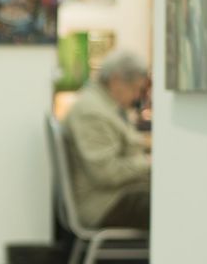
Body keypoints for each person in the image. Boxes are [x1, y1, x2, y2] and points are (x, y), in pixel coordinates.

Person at [63, 48, 151, 230]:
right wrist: (149, 162)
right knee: (169, 201)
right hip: (104, 204)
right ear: (116, 80)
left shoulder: (105, 105)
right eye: (135, 89)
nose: (137, 96)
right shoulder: (92, 112)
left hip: (115, 195)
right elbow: (106, 173)